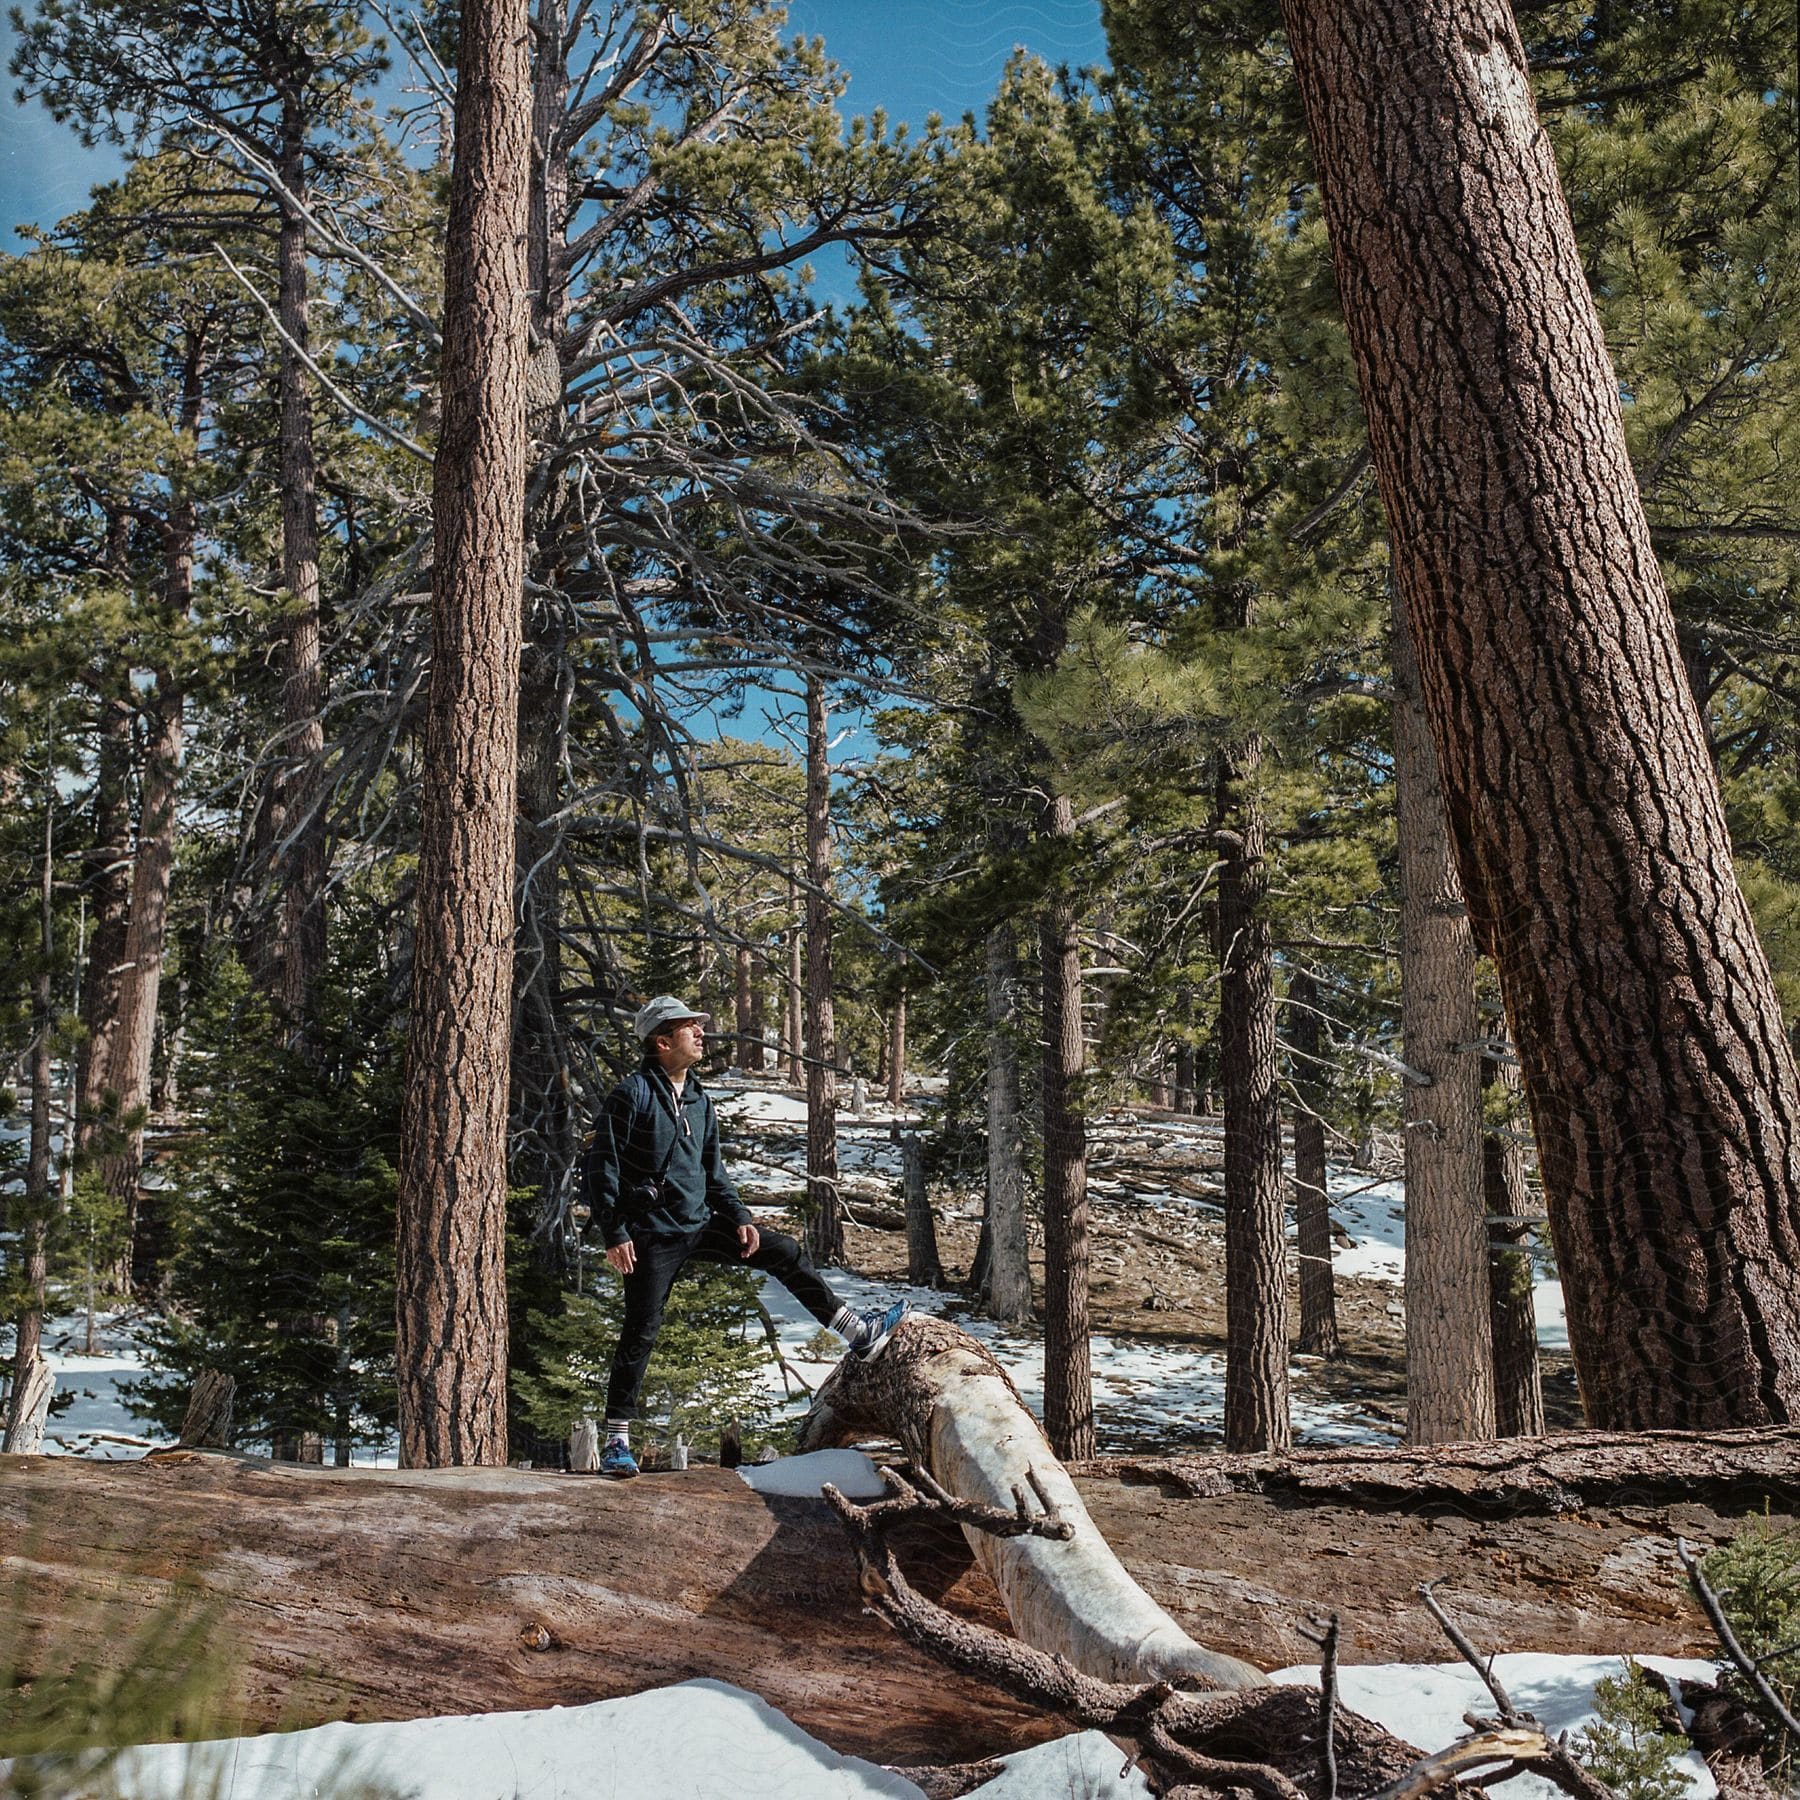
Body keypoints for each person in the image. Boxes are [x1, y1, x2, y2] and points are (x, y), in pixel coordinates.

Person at [580, 994, 910, 1479]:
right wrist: (615, 1231)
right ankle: (617, 1442)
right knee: (641, 1330)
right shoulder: (631, 1095)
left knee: (786, 1251)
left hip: (699, 1225)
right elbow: (601, 1166)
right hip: (651, 1235)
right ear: (661, 1041)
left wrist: (739, 1216)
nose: (701, 1032)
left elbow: (714, 1171)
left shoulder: (698, 1098)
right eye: (689, 1027)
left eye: (699, 1025)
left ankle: (856, 1333)